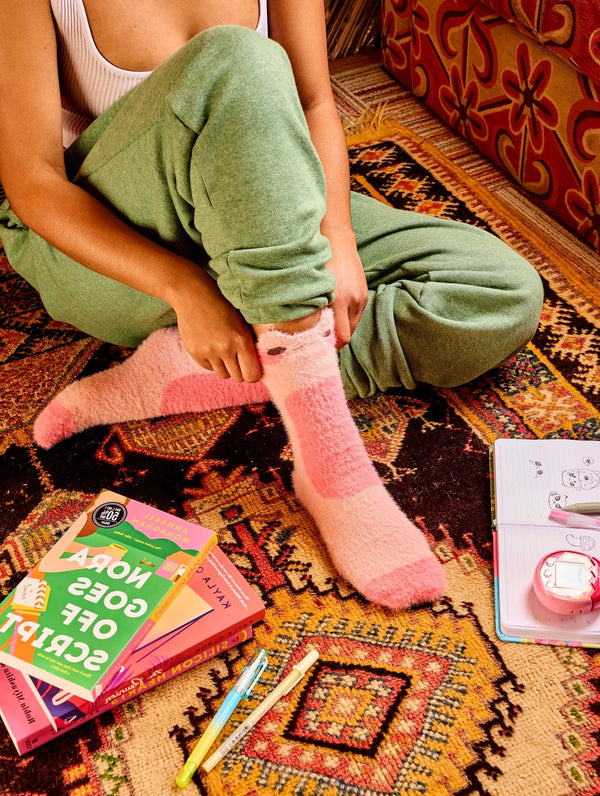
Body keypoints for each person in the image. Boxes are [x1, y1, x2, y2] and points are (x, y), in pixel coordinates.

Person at [0, 0, 544, 610]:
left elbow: (313, 102)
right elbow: (35, 185)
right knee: (235, 57)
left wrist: (336, 235)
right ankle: (331, 469)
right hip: (107, 247)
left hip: (253, 210)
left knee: (500, 294)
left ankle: (195, 370)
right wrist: (186, 288)